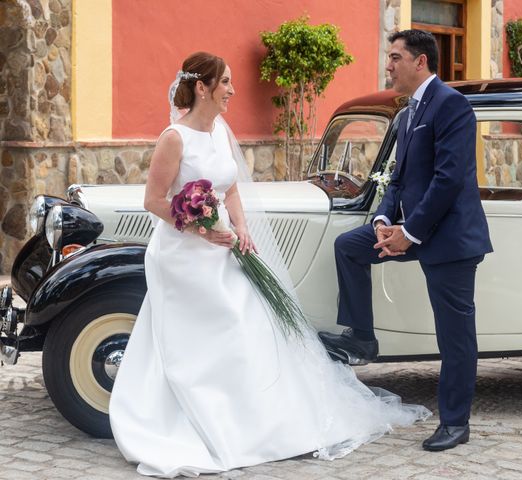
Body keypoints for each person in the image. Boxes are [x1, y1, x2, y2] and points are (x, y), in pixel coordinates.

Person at [108, 51, 429, 478]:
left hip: (227, 247)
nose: (232, 90)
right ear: (201, 87)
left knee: (247, 323)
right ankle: (201, 419)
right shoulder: (174, 138)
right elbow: (153, 201)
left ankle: (260, 418)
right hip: (184, 257)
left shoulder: (220, 130)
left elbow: (232, 191)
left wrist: (241, 229)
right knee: (205, 333)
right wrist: (202, 231)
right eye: (225, 82)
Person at [319, 30, 493, 452]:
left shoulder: (452, 105)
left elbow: (448, 179)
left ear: (421, 62)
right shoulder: (406, 113)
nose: (388, 65)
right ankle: (362, 335)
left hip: (450, 237)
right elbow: (398, 178)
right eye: (388, 57)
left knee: (454, 336)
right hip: (411, 229)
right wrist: (383, 221)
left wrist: (408, 233)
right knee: (350, 247)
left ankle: (456, 423)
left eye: (395, 57)